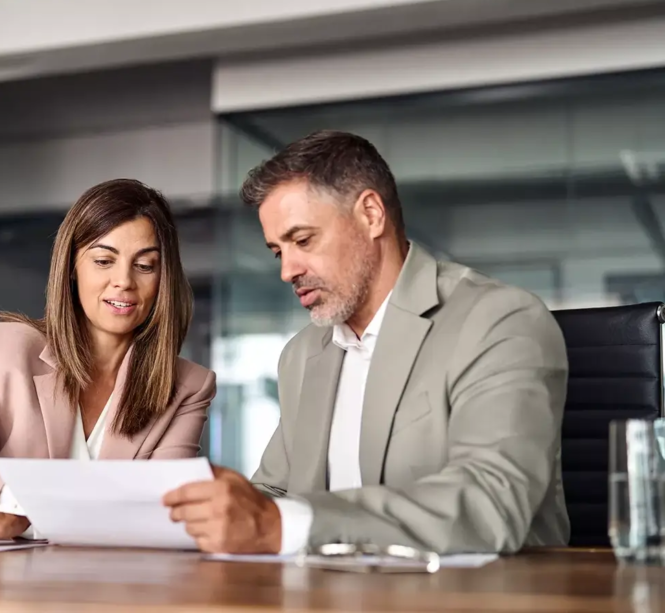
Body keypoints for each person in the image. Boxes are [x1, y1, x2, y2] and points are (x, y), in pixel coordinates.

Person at [164, 130, 569, 555]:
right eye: (278, 251)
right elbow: (275, 494)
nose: (288, 270)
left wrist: (288, 523)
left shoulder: (498, 320)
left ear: (371, 214)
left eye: (303, 240)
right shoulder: (302, 355)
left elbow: (490, 503)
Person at [0, 179, 217, 549]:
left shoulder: (188, 386)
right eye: (103, 261)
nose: (124, 282)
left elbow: (166, 514)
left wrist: (24, 517)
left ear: (163, 279)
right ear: (72, 268)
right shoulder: (3, 349)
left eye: (145, 266)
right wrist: (20, 504)